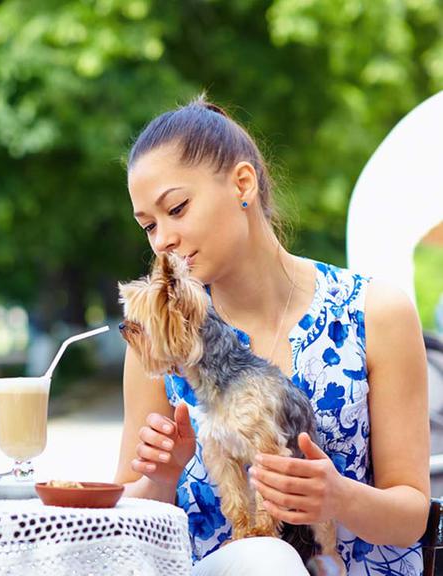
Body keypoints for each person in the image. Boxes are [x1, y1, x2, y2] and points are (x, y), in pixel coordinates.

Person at [114, 97, 429, 575]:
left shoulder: (375, 312)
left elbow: (412, 517)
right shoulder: (161, 344)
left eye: (176, 208)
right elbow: (123, 523)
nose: (162, 240)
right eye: (149, 227)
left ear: (243, 182)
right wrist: (160, 476)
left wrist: (339, 496)